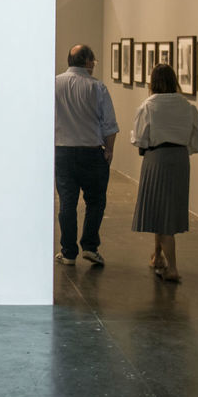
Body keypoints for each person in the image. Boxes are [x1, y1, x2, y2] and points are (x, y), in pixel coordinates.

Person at [130, 64, 198, 283]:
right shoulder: (188, 107)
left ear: (153, 82)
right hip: (180, 160)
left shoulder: (148, 106)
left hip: (156, 159)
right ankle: (158, 256)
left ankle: (173, 268)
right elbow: (194, 141)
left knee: (162, 212)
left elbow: (139, 138)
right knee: (166, 209)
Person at [54, 44, 118, 266]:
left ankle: (68, 252)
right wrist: (109, 150)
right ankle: (90, 246)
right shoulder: (97, 87)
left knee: (67, 203)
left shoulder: (54, 84)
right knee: (96, 201)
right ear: (88, 62)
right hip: (92, 153)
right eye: (94, 62)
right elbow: (109, 124)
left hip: (62, 151)